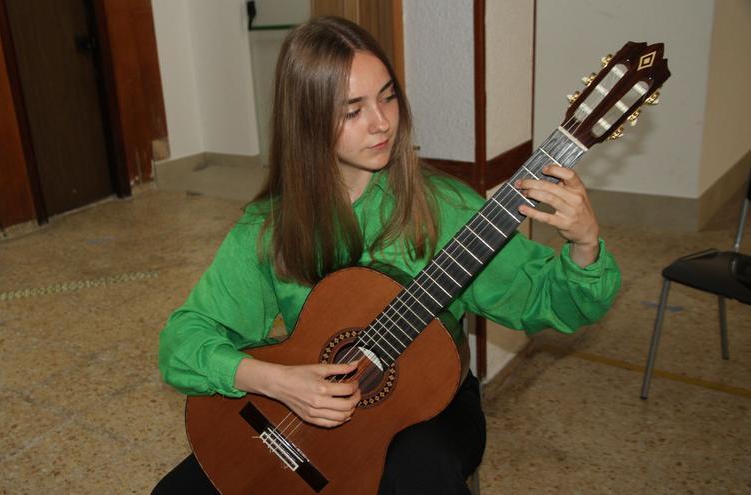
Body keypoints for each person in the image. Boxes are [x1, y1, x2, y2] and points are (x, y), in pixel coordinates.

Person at [153, 16, 620, 495]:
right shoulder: (270, 226)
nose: (382, 123)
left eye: (388, 96)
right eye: (352, 110)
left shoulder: (445, 207)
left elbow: (545, 300)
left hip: (426, 409)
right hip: (300, 404)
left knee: (418, 473)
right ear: (307, 121)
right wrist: (277, 381)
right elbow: (181, 343)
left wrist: (584, 245)